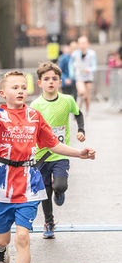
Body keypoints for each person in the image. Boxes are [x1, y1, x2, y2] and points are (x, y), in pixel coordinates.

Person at [0, 70, 95, 263]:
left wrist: (79, 153)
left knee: (23, 238)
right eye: (15, 87)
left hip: (30, 182)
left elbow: (52, 143)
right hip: (2, 185)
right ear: (2, 94)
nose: (20, 91)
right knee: (3, 239)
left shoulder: (34, 115)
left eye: (23, 87)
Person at [30, 61, 86, 239]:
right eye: (46, 79)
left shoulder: (67, 100)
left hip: (61, 152)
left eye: (54, 79)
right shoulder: (35, 105)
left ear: (60, 82)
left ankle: (59, 191)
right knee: (44, 192)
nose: (51, 82)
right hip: (41, 155)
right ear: (40, 83)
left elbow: (78, 113)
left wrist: (81, 130)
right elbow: (29, 127)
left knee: (60, 185)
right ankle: (49, 221)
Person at [71, 36, 97, 115]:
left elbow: (94, 66)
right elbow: (71, 65)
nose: (82, 45)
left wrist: (89, 69)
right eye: (80, 43)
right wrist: (72, 74)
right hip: (79, 77)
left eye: (83, 43)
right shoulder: (75, 54)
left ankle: (87, 112)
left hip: (88, 77)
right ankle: (77, 111)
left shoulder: (92, 54)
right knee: (81, 92)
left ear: (87, 44)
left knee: (86, 96)